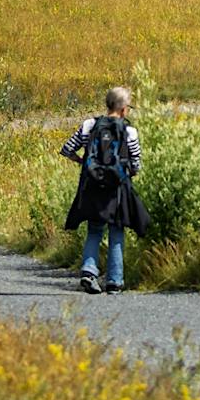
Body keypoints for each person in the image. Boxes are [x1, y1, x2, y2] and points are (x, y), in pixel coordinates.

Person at [60, 86, 149, 294]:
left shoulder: (90, 125)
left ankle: (89, 272)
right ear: (124, 109)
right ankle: (114, 281)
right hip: (117, 189)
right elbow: (135, 163)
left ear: (107, 104)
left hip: (92, 185)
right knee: (117, 231)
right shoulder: (129, 131)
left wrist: (83, 163)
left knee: (94, 229)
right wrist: (125, 175)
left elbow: (67, 149)